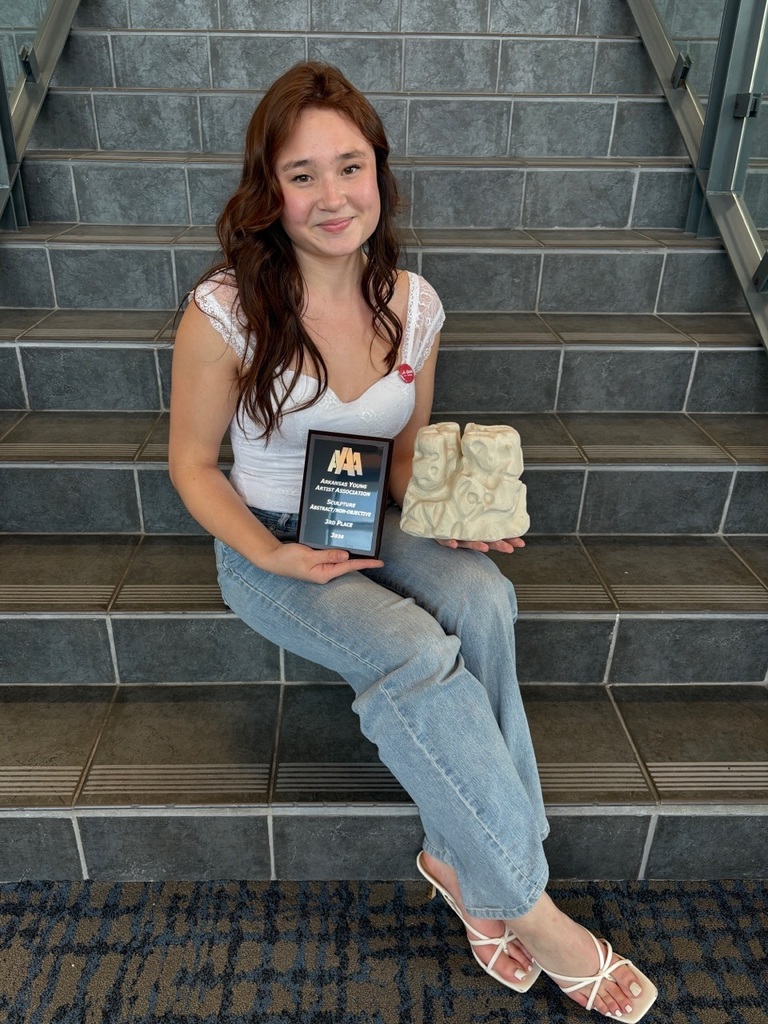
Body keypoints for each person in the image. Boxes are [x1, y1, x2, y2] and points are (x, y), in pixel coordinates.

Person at [169, 61, 657, 1022]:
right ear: (270, 190)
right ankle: (530, 908)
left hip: (367, 520)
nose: (331, 195)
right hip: (267, 546)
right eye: (302, 174)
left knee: (483, 598)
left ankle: (456, 855)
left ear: (378, 176)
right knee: (415, 652)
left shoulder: (414, 305)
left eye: (349, 167)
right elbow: (192, 466)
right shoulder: (223, 311)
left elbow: (401, 464)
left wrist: (457, 521)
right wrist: (270, 556)